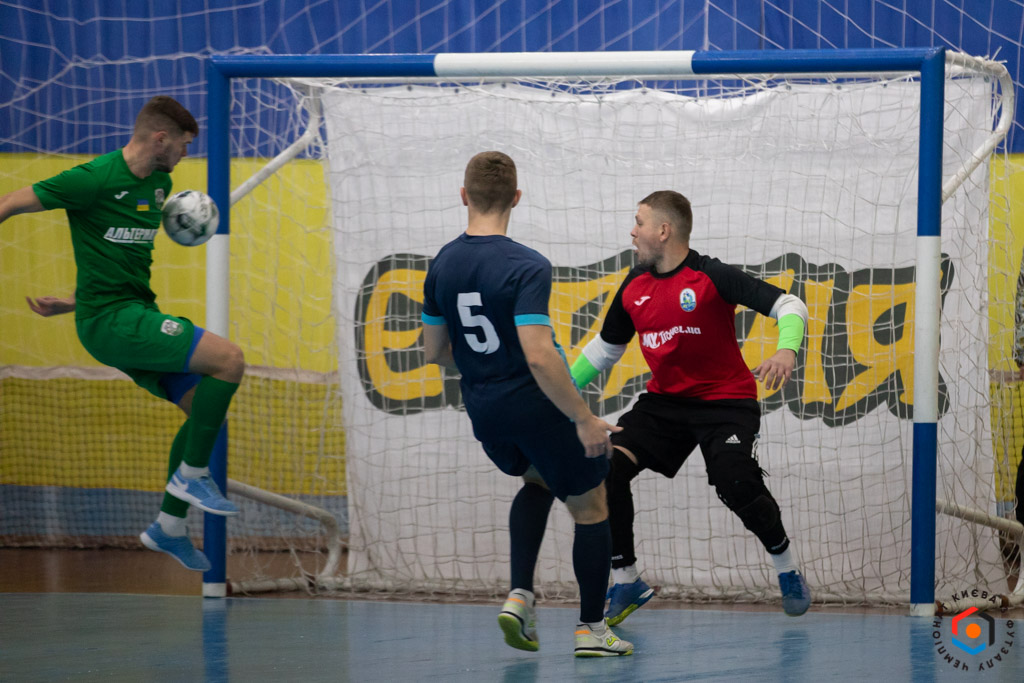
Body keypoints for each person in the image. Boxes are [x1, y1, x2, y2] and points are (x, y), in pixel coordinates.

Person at [1, 96, 243, 573]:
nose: (186, 154)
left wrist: (72, 300)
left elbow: (114, 257)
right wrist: (88, 306)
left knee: (206, 412)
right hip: (110, 322)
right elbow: (8, 203)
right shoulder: (91, 179)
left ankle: (168, 526)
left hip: (130, 311)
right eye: (183, 145)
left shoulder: (160, 184)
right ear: (160, 139)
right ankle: (192, 476)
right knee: (229, 360)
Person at [421, 151, 632, 657]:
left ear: (463, 195)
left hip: (484, 408)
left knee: (536, 479)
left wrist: (486, 367)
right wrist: (582, 418)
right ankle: (591, 629)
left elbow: (433, 352)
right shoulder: (526, 265)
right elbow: (539, 355)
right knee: (591, 505)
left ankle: (519, 596)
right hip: (534, 403)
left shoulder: (442, 264)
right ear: (516, 198)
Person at [570, 190, 812, 623]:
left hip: (726, 401)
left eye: (639, 222)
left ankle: (787, 567)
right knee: (605, 467)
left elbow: (790, 304)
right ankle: (626, 579)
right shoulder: (634, 285)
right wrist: (561, 393)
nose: (632, 232)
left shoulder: (711, 276)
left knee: (734, 479)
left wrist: (786, 350)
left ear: (663, 231)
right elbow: (605, 350)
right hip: (665, 404)